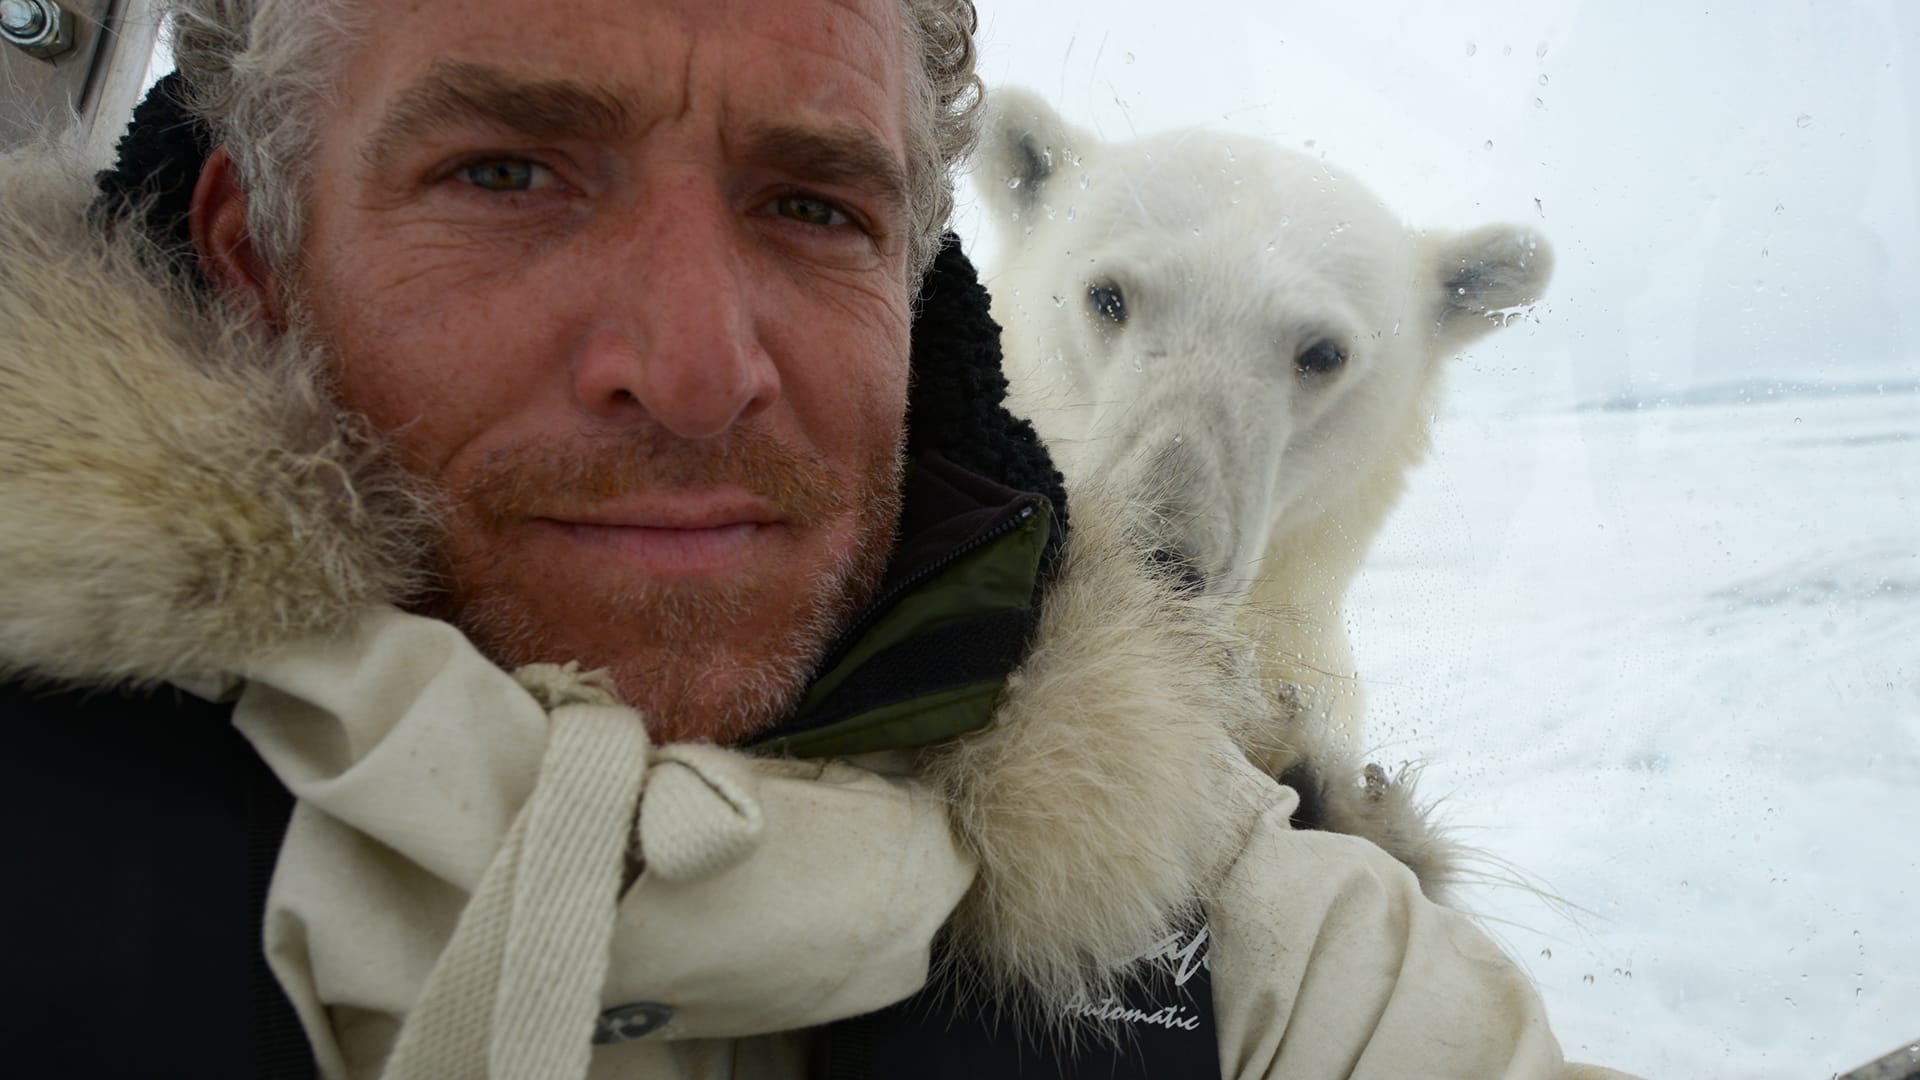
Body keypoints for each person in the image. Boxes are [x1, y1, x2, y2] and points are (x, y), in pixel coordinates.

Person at [0, 0, 1634, 1077]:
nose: (701, 372)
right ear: (250, 248)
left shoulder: (1235, 933)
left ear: (918, 308)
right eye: (507, 171)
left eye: (810, 207)